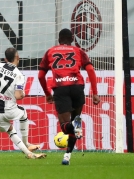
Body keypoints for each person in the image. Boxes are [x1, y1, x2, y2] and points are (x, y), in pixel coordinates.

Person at [37, 28, 101, 165]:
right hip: (77, 87)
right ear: (72, 39)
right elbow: (90, 69)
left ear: (59, 40)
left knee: (65, 126)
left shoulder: (50, 52)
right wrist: (95, 92)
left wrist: (47, 94)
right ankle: (67, 156)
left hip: (61, 88)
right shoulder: (78, 51)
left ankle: (74, 130)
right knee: (76, 119)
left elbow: (40, 75)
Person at [0, 48, 45, 159]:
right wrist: (22, 94)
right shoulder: (19, 75)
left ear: (5, 59)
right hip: (8, 110)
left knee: (10, 130)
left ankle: (29, 153)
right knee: (23, 113)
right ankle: (26, 143)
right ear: (18, 57)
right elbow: (18, 96)